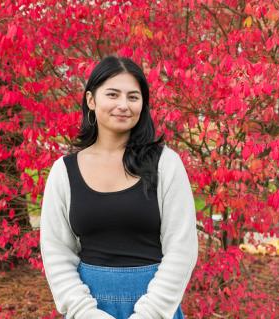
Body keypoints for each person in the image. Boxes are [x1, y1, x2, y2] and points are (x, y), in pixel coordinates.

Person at [40, 55, 198, 319]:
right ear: (91, 100)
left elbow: (182, 249)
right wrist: (87, 313)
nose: (123, 105)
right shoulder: (64, 172)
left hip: (156, 307)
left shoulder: (165, 164)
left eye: (133, 97)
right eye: (112, 94)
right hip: (88, 307)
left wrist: (150, 314)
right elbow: (57, 252)